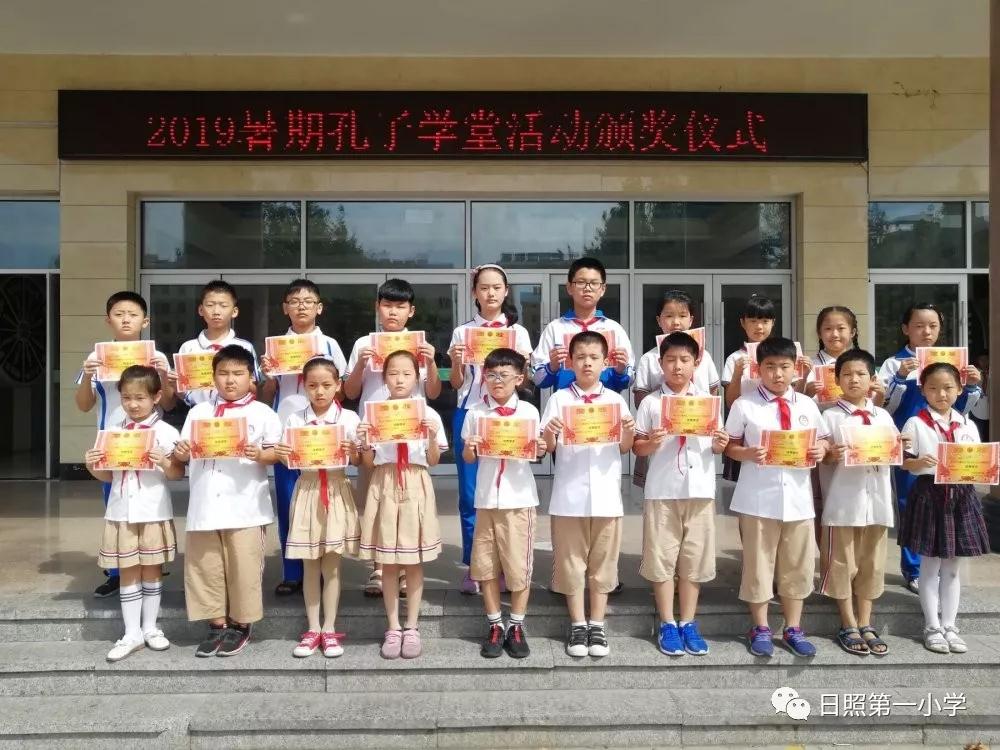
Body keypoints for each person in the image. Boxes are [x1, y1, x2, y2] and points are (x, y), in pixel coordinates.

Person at [171, 345, 281, 658]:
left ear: (251, 378)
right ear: (213, 377)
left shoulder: (262, 413)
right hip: (205, 503)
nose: (230, 380)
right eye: (223, 373)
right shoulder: (198, 412)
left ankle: (241, 624)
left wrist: (260, 454)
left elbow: (278, 453)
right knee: (205, 567)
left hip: (246, 505)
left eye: (237, 373)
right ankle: (216, 624)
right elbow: (184, 451)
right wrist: (181, 452)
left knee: (244, 567)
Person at [724, 337, 830, 658]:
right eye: (770, 367)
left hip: (798, 500)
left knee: (797, 564)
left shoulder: (807, 405)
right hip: (758, 498)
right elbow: (729, 446)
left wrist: (820, 449)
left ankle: (793, 627)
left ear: (795, 369)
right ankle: (760, 626)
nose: (778, 374)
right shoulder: (744, 404)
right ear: (759, 369)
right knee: (759, 564)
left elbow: (824, 441)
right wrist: (747, 453)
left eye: (784, 367)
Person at [632, 332, 729, 657]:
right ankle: (667, 622)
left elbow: (715, 446)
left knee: (694, 558)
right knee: (661, 557)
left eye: (684, 360)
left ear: (696, 363)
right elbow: (638, 447)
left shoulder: (709, 403)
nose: (677, 366)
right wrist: (652, 442)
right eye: (671, 360)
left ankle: (688, 621)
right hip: (662, 490)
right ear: (660, 363)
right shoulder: (650, 403)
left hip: (700, 490)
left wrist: (720, 444)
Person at [344, 278, 442, 597]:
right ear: (378, 308)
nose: (393, 312)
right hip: (375, 438)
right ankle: (378, 568)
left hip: (411, 438)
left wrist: (431, 361)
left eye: (400, 306)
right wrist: (361, 364)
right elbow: (350, 392)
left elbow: (433, 392)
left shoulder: (419, 345)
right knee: (374, 502)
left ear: (411, 311)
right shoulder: (363, 344)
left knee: (409, 505)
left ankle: (403, 570)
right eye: (387, 305)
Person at [541, 331, 634, 658]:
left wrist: (628, 432)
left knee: (603, 563)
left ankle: (597, 623)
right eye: (580, 357)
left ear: (605, 362)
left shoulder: (615, 401)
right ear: (569, 362)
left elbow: (624, 448)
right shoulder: (558, 399)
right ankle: (578, 623)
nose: (587, 363)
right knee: (571, 563)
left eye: (594, 357)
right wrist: (549, 434)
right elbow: (547, 448)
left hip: (607, 496)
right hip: (569, 496)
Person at [76, 290, 175, 598]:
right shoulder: (97, 357)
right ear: (109, 320)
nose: (126, 319)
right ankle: (118, 573)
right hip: (113, 445)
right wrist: (87, 375)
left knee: (150, 504)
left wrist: (164, 374)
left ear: (145, 321)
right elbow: (83, 404)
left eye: (133, 314)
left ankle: (151, 563)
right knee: (116, 508)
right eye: (119, 314)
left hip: (147, 443)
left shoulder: (155, 357)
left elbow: (169, 404)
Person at [879, 303, 982, 593]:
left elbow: (962, 408)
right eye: (919, 326)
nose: (926, 332)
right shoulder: (894, 363)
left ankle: (941, 565)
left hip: (947, 446)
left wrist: (972, 386)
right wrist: (899, 378)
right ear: (905, 329)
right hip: (913, 443)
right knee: (910, 504)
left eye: (933, 326)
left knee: (946, 506)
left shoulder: (952, 362)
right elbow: (886, 407)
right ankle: (914, 569)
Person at [84, 365, 184, 662]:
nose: (133, 404)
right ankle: (131, 633)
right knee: (128, 570)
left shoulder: (166, 432)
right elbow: (108, 476)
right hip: (121, 512)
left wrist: (164, 462)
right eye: (127, 398)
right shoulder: (112, 433)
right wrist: (92, 465)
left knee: (152, 569)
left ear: (156, 397)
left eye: (140, 398)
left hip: (153, 510)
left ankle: (150, 627)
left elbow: (177, 474)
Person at [260, 279, 348, 598]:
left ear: (319, 308)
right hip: (286, 434)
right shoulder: (275, 347)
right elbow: (266, 395)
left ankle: (321, 568)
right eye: (295, 301)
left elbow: (342, 390)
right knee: (289, 503)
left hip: (323, 435)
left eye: (308, 301)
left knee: (323, 502)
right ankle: (293, 572)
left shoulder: (330, 345)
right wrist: (269, 377)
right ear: (285, 307)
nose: (301, 306)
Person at [448, 264, 533, 595]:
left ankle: (508, 566)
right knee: (471, 494)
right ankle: (476, 566)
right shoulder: (463, 332)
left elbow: (524, 382)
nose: (491, 293)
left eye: (497, 287)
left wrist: (522, 362)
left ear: (506, 291)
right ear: (474, 293)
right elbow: (456, 383)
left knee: (507, 493)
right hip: (471, 412)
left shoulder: (518, 333)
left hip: (508, 416)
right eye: (484, 287)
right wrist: (457, 361)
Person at [357, 350, 447, 660]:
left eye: (407, 374)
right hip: (384, 481)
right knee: (389, 560)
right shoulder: (373, 413)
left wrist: (431, 437)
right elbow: (367, 462)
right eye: (393, 373)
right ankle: (393, 626)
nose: (399, 379)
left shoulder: (428, 414)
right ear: (384, 378)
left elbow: (433, 460)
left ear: (417, 378)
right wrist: (365, 443)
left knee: (413, 561)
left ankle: (412, 626)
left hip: (416, 480)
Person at [899, 362, 990, 654]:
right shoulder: (915, 423)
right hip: (929, 495)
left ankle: (950, 625)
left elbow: (977, 462)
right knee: (930, 564)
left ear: (960, 389)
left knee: (952, 567)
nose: (941, 394)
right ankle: (932, 626)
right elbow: (904, 462)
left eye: (948, 387)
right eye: (934, 388)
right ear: (923, 391)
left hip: (961, 496)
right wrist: (917, 462)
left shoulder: (967, 424)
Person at [460, 348, 545, 659]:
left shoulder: (529, 412)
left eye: (504, 375)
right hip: (486, 500)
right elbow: (468, 458)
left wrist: (540, 447)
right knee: (485, 566)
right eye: (492, 375)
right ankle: (495, 624)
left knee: (519, 567)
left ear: (519, 379)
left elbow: (536, 453)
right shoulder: (475, 414)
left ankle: (517, 625)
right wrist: (470, 447)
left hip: (519, 499)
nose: (497, 381)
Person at [274, 358, 361, 659]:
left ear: (338, 385)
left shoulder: (349, 418)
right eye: (312, 385)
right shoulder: (294, 420)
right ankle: (312, 628)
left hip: (337, 488)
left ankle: (329, 627)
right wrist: (283, 454)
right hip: (308, 489)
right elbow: (288, 460)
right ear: (304, 387)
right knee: (310, 563)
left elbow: (360, 460)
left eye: (326, 385)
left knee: (332, 565)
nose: (319, 391)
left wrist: (355, 452)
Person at [817, 349, 899, 656]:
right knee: (842, 564)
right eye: (847, 374)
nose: (854, 379)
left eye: (861, 374)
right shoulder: (830, 416)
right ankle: (848, 622)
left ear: (872, 379)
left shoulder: (883, 416)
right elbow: (821, 456)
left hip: (877, 503)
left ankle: (866, 621)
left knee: (872, 564)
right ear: (837, 379)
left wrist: (899, 447)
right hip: (843, 503)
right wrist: (830, 454)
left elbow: (894, 454)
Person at [531, 257, 634, 394]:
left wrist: (621, 370)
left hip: (605, 404)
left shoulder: (614, 329)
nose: (587, 288)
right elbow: (537, 379)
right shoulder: (555, 328)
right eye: (581, 282)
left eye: (594, 283)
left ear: (603, 289)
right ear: (569, 288)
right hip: (566, 403)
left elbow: (630, 380)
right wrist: (552, 366)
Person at [172, 280, 259, 407]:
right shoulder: (188, 348)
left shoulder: (245, 347)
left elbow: (254, 386)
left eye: (223, 306)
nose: (216, 311)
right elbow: (183, 391)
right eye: (210, 305)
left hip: (238, 411)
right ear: (201, 310)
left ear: (234, 311)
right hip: (198, 412)